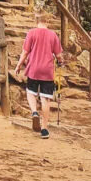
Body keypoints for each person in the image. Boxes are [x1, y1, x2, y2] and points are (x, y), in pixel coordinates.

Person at [14, 10, 63, 139]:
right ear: (47, 21)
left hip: (33, 68)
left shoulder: (31, 33)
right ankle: (45, 129)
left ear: (36, 21)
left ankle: (34, 111)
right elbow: (59, 55)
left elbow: (24, 53)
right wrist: (60, 61)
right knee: (45, 98)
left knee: (30, 92)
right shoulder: (53, 35)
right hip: (47, 70)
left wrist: (18, 65)